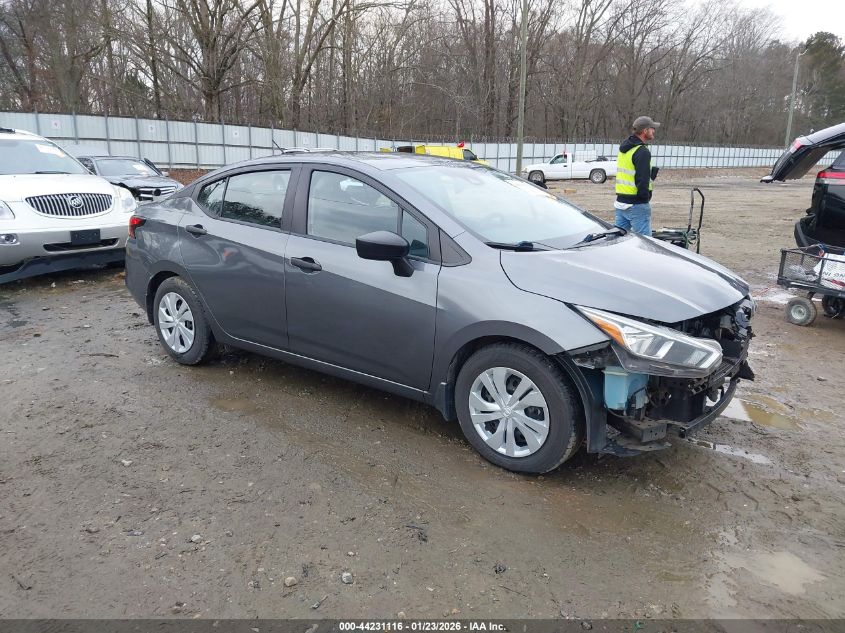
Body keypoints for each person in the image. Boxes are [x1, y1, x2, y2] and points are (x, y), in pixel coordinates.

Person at [614, 115, 660, 235]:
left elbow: (629, 173)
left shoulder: (624, 149)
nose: (653, 131)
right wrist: (645, 198)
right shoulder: (642, 151)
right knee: (645, 244)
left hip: (621, 202)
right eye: (652, 128)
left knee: (617, 240)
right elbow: (642, 180)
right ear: (645, 131)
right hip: (636, 204)